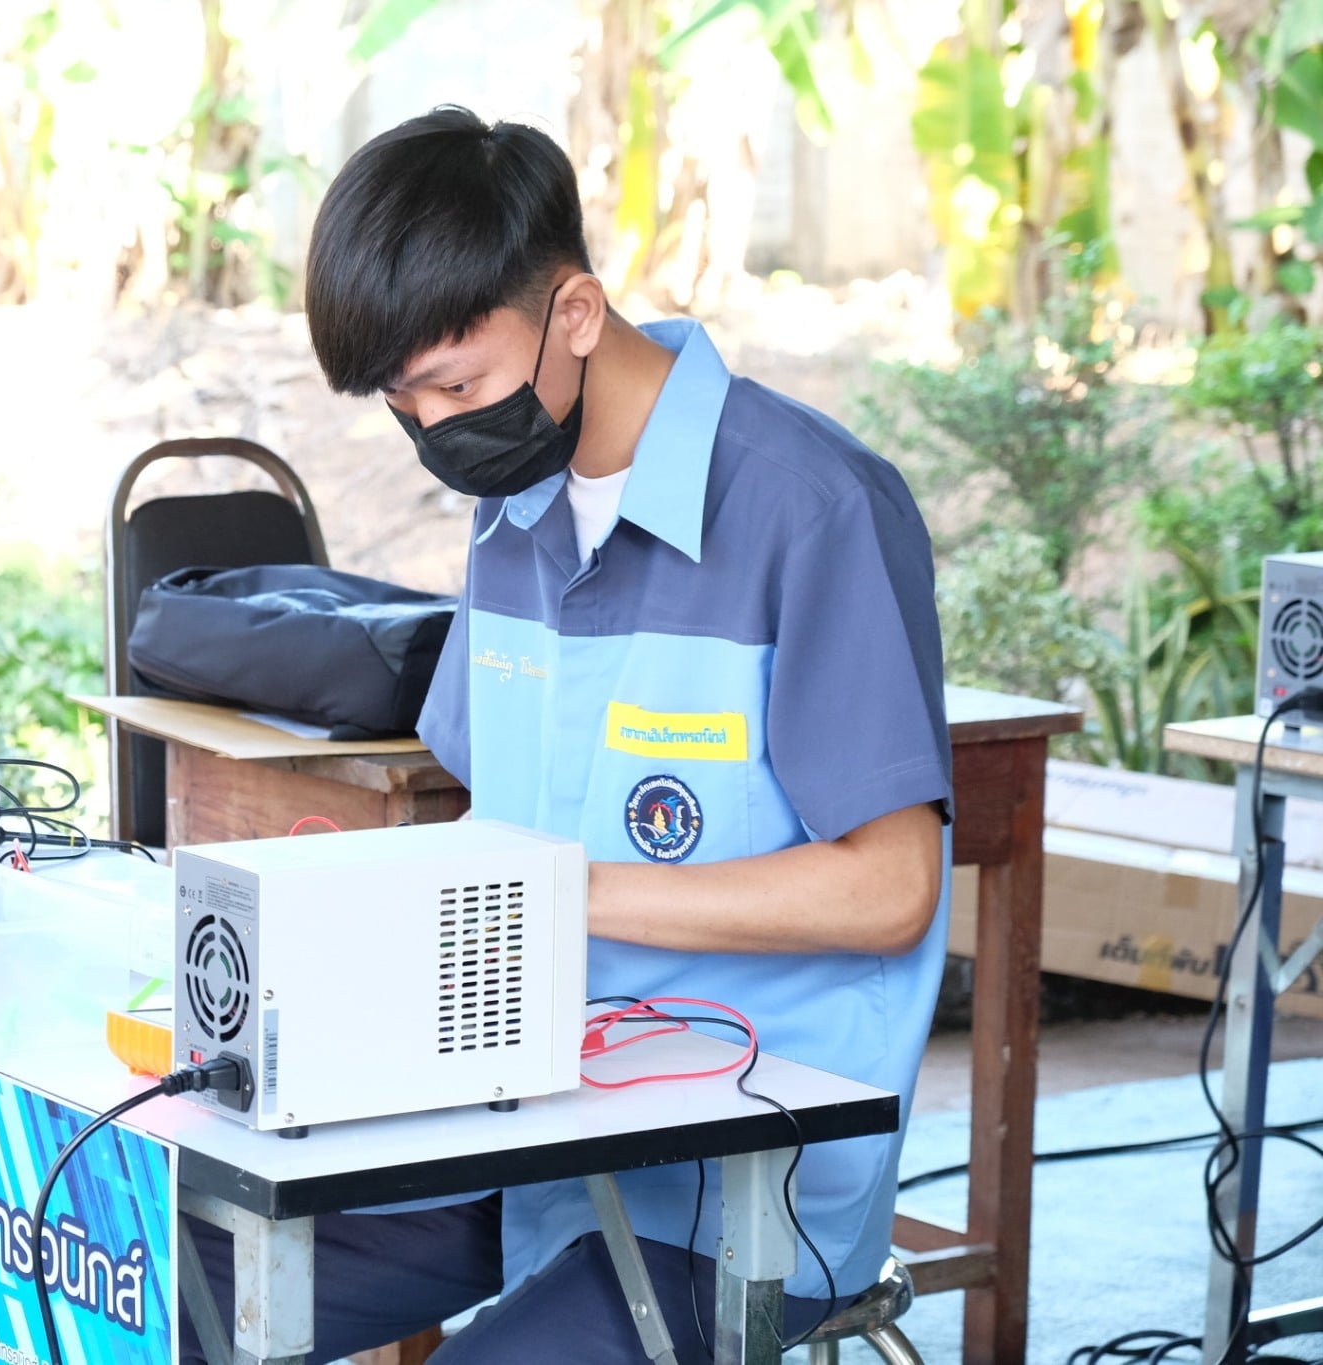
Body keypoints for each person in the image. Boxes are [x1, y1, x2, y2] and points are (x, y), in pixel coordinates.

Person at [181, 105, 951, 1364]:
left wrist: (566, 899)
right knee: (153, 1287)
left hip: (735, 1179)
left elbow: (889, 886)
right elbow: (490, 811)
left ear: (575, 315)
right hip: (515, 1113)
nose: (433, 429)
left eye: (455, 385)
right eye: (401, 402)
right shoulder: (516, 504)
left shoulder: (808, 509)